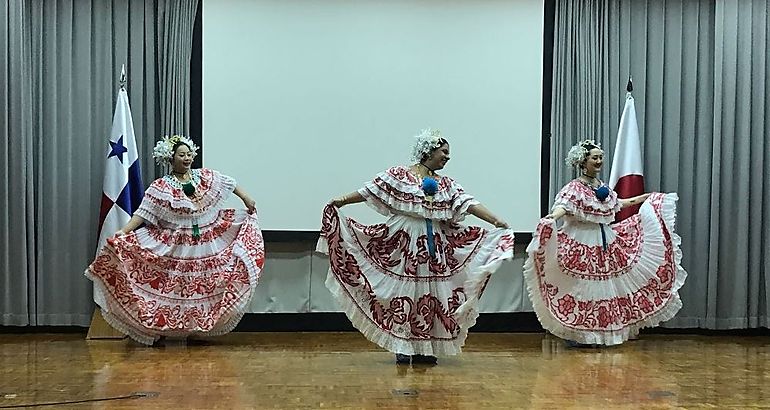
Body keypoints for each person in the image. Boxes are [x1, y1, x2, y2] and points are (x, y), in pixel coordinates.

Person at [317, 128, 515, 364]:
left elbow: (468, 203)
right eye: (444, 152)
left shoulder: (446, 184)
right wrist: (342, 200)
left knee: (431, 294)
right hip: (403, 243)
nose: (447, 157)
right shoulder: (400, 175)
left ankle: (426, 346)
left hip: (435, 245)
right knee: (404, 293)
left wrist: (495, 220)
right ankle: (403, 345)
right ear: (428, 152)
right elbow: (371, 189)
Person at [85, 135, 265, 345]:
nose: (187, 158)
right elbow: (142, 213)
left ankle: (196, 328)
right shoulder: (161, 186)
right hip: (176, 245)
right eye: (182, 155)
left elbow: (229, 183)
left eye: (189, 154)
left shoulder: (203, 177)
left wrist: (246, 198)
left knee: (201, 285)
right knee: (175, 286)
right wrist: (123, 231)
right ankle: (162, 329)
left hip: (205, 242)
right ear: (171, 158)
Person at [523, 139, 686, 346]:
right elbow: (564, 207)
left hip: (605, 242)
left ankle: (599, 334)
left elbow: (618, 204)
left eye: (601, 157)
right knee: (583, 288)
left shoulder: (602, 187)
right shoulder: (574, 188)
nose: (599, 161)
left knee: (603, 290)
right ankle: (580, 335)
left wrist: (644, 198)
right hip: (581, 243)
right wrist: (552, 218)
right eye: (595, 158)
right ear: (583, 161)